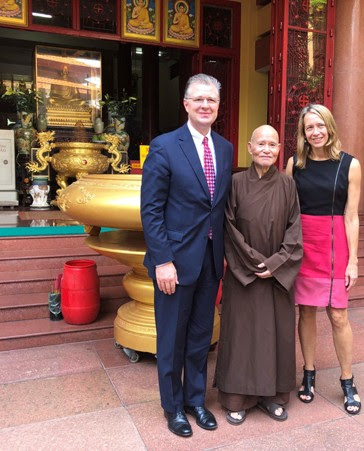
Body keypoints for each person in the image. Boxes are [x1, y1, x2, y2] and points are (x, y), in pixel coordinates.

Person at [141, 74, 233, 437]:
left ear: (218, 106)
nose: (205, 106)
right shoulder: (164, 146)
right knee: (171, 340)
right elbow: (151, 210)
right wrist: (162, 260)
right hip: (174, 264)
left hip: (211, 260)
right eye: (199, 100)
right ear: (186, 104)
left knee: (199, 337)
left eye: (211, 100)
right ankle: (173, 407)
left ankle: (196, 401)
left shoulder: (224, 149)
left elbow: (220, 207)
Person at [215, 125, 303, 425]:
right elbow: (228, 227)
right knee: (242, 335)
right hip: (245, 274)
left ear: (280, 150)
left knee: (275, 334)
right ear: (250, 148)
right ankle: (237, 399)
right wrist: (254, 263)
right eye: (261, 144)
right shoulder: (235, 182)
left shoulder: (288, 184)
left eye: (272, 145)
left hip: (277, 276)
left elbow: (295, 229)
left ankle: (273, 397)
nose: (266, 149)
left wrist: (277, 263)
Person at [285, 104, 362, 415]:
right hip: (303, 245)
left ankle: (348, 381)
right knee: (305, 312)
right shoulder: (294, 164)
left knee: (338, 316)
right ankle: (309, 373)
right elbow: (285, 210)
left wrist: (353, 260)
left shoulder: (350, 165)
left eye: (320, 126)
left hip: (334, 247)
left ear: (330, 127)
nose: (315, 132)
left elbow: (352, 216)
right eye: (309, 128)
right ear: (303, 134)